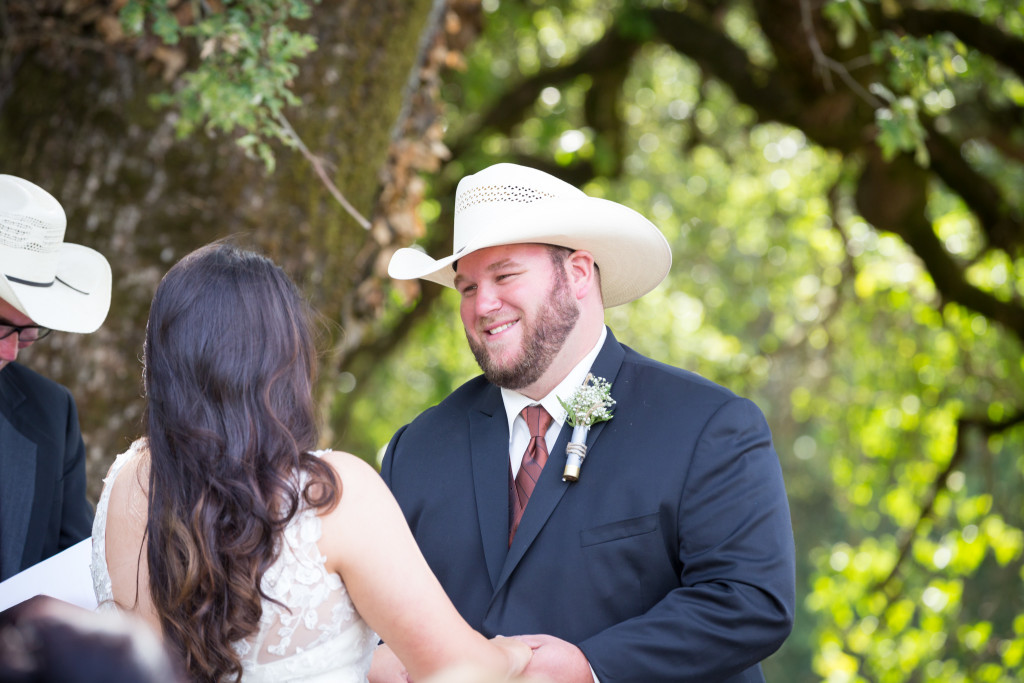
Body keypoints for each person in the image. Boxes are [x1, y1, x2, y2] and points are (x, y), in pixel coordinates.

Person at [380, 163, 796, 682]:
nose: (483, 304)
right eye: (466, 288)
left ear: (578, 273)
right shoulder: (415, 449)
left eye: (505, 275)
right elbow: (374, 618)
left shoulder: (707, 426)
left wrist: (590, 667)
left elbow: (750, 602)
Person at [90, 242, 530, 682]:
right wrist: (511, 655)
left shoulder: (124, 482)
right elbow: (461, 668)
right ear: (282, 358)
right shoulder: (330, 495)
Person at [0, 174, 111, 582]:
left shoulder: (51, 413)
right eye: (1, 326)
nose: (10, 352)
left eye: (27, 333)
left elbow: (76, 572)